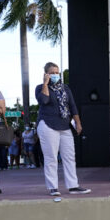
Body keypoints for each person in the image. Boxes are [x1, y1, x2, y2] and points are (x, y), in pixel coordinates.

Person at [35, 62, 90, 196]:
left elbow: (72, 105)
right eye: (51, 73)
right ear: (46, 74)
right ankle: (53, 187)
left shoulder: (65, 88)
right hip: (48, 124)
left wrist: (78, 123)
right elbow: (44, 100)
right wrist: (45, 84)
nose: (55, 75)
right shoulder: (40, 88)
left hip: (65, 125)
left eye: (56, 72)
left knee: (70, 156)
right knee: (51, 157)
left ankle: (73, 186)